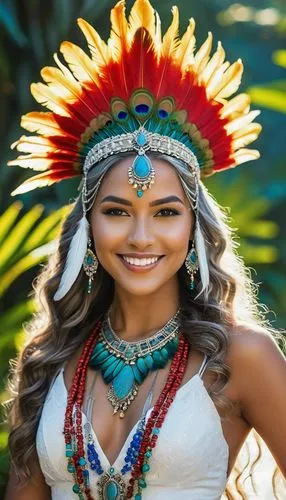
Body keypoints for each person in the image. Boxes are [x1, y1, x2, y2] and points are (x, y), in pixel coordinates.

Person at [4, 0, 286, 499]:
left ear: (195, 227)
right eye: (116, 212)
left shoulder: (242, 357)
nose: (140, 237)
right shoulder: (49, 361)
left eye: (166, 212)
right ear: (87, 227)